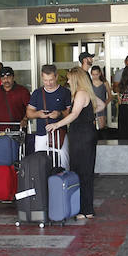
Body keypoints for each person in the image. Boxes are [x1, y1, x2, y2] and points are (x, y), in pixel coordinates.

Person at [47, 67, 104, 220]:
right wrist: (90, 114)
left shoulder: (80, 94)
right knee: (85, 170)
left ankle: (84, 210)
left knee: (81, 171)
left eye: (70, 78)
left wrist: (56, 125)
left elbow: (74, 114)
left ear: (76, 79)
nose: (68, 81)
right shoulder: (87, 94)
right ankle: (87, 209)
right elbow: (102, 105)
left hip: (81, 135)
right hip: (87, 133)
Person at [26, 64, 72, 168]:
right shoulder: (37, 93)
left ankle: (62, 183)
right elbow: (29, 113)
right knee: (40, 164)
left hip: (60, 134)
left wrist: (59, 113)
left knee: (63, 163)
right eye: (45, 80)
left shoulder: (65, 92)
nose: (48, 83)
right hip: (42, 134)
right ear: (42, 77)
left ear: (56, 76)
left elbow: (71, 113)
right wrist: (38, 114)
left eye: (51, 80)